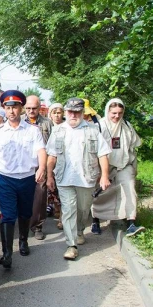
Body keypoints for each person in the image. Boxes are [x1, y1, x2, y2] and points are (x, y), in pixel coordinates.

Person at [0, 90, 47, 268]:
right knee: (8, 216)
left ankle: (23, 241)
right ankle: (7, 254)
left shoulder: (32, 131)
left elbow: (41, 151)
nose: (11, 111)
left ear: (21, 108)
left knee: (25, 213)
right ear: (4, 109)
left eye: (15, 107)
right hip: (6, 180)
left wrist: (41, 168)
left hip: (27, 179)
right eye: (8, 107)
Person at [46, 98, 112, 260]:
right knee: (68, 210)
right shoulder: (58, 131)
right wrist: (49, 176)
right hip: (64, 178)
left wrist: (104, 176)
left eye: (77, 112)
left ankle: (80, 230)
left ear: (82, 113)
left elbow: (102, 154)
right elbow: (52, 156)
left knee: (83, 209)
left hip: (86, 178)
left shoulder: (92, 130)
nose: (73, 115)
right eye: (70, 112)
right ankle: (71, 245)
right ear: (66, 112)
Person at [91, 98, 145, 236]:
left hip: (123, 165)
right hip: (103, 166)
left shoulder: (126, 126)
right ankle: (95, 220)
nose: (116, 116)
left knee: (129, 189)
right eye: (113, 113)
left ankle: (131, 222)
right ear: (107, 111)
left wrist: (134, 166)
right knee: (99, 193)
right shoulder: (99, 126)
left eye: (120, 113)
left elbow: (133, 147)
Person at [23, 95, 53, 241]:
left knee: (40, 195)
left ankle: (37, 226)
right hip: (23, 166)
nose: (31, 111)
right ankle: (23, 223)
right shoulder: (19, 121)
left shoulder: (47, 123)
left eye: (34, 108)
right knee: (25, 196)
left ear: (39, 108)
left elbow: (52, 147)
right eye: (28, 108)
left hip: (41, 165)